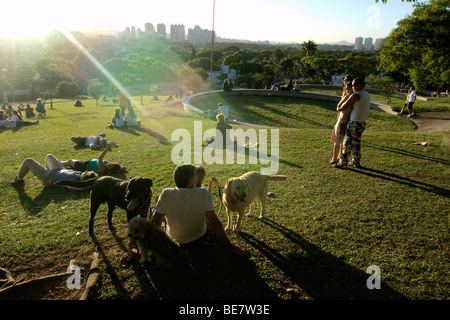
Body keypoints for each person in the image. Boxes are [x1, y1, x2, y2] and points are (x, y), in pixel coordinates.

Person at [150, 163, 246, 257]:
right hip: (200, 238)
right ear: (191, 181)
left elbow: (156, 221)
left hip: (174, 240)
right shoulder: (204, 193)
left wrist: (154, 247)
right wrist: (230, 247)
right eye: (196, 176)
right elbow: (214, 222)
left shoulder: (166, 194)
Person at [334, 78, 371, 169]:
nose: (354, 87)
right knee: (356, 143)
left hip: (354, 122)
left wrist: (339, 108)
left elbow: (343, 106)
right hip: (362, 123)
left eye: (356, 85)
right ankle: (356, 161)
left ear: (362, 85)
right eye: (353, 85)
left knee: (347, 143)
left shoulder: (356, 95)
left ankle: (343, 163)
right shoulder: (367, 94)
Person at [11, 154, 98, 188]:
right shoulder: (81, 174)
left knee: (28, 161)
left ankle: (18, 180)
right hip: (58, 169)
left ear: (84, 180)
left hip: (48, 177)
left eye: (87, 173)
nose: (86, 171)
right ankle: (44, 170)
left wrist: (88, 186)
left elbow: (81, 188)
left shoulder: (76, 184)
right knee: (49, 156)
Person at [61, 143, 126, 175]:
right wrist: (118, 169)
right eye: (111, 163)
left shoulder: (102, 170)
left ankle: (55, 162)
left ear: (109, 170)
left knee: (70, 161)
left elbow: (100, 158)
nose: (109, 164)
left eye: (110, 166)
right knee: (67, 165)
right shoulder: (107, 165)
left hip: (83, 166)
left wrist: (107, 148)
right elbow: (124, 168)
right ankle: (58, 164)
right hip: (85, 163)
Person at [330, 82, 354, 165]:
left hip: (346, 121)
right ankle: (335, 157)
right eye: (346, 88)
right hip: (342, 120)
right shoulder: (348, 96)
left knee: (342, 140)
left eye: (349, 88)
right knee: (338, 139)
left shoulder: (353, 97)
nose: (347, 90)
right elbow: (338, 106)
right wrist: (340, 109)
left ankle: (338, 157)